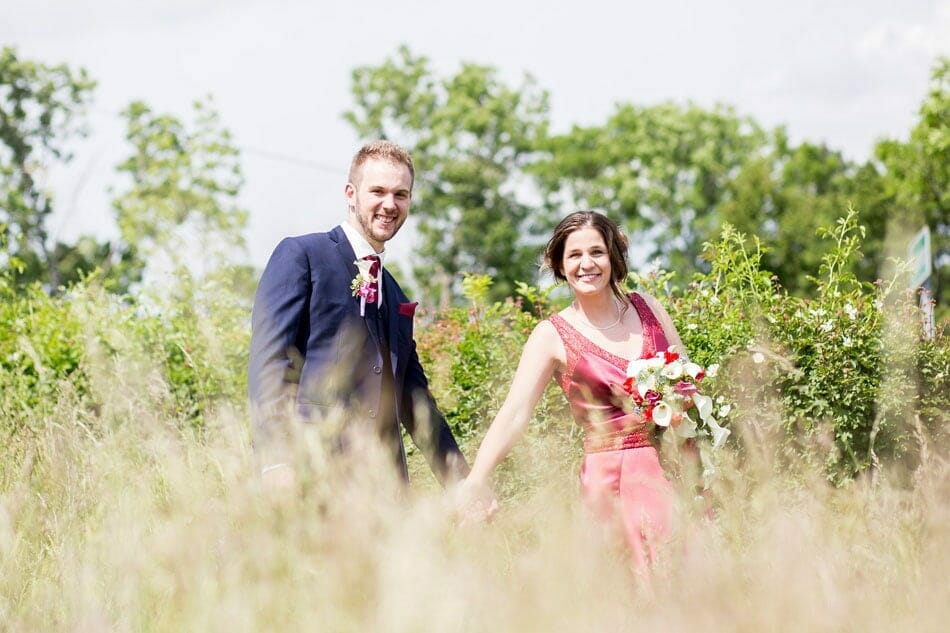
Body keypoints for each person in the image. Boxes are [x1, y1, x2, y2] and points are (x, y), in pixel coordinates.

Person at [455, 210, 687, 571]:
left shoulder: (650, 309)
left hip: (669, 470)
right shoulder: (551, 335)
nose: (587, 264)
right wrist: (476, 481)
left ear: (613, 256)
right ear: (560, 266)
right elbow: (514, 414)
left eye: (597, 252)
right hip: (606, 479)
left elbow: (688, 384)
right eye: (574, 255)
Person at [248, 140, 469, 492]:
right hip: (311, 475)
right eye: (377, 191)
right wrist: (276, 459)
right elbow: (270, 362)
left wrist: (461, 484)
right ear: (351, 193)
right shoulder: (303, 255)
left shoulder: (395, 293)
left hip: (385, 493)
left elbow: (416, 401)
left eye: (401, 194)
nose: (389, 204)